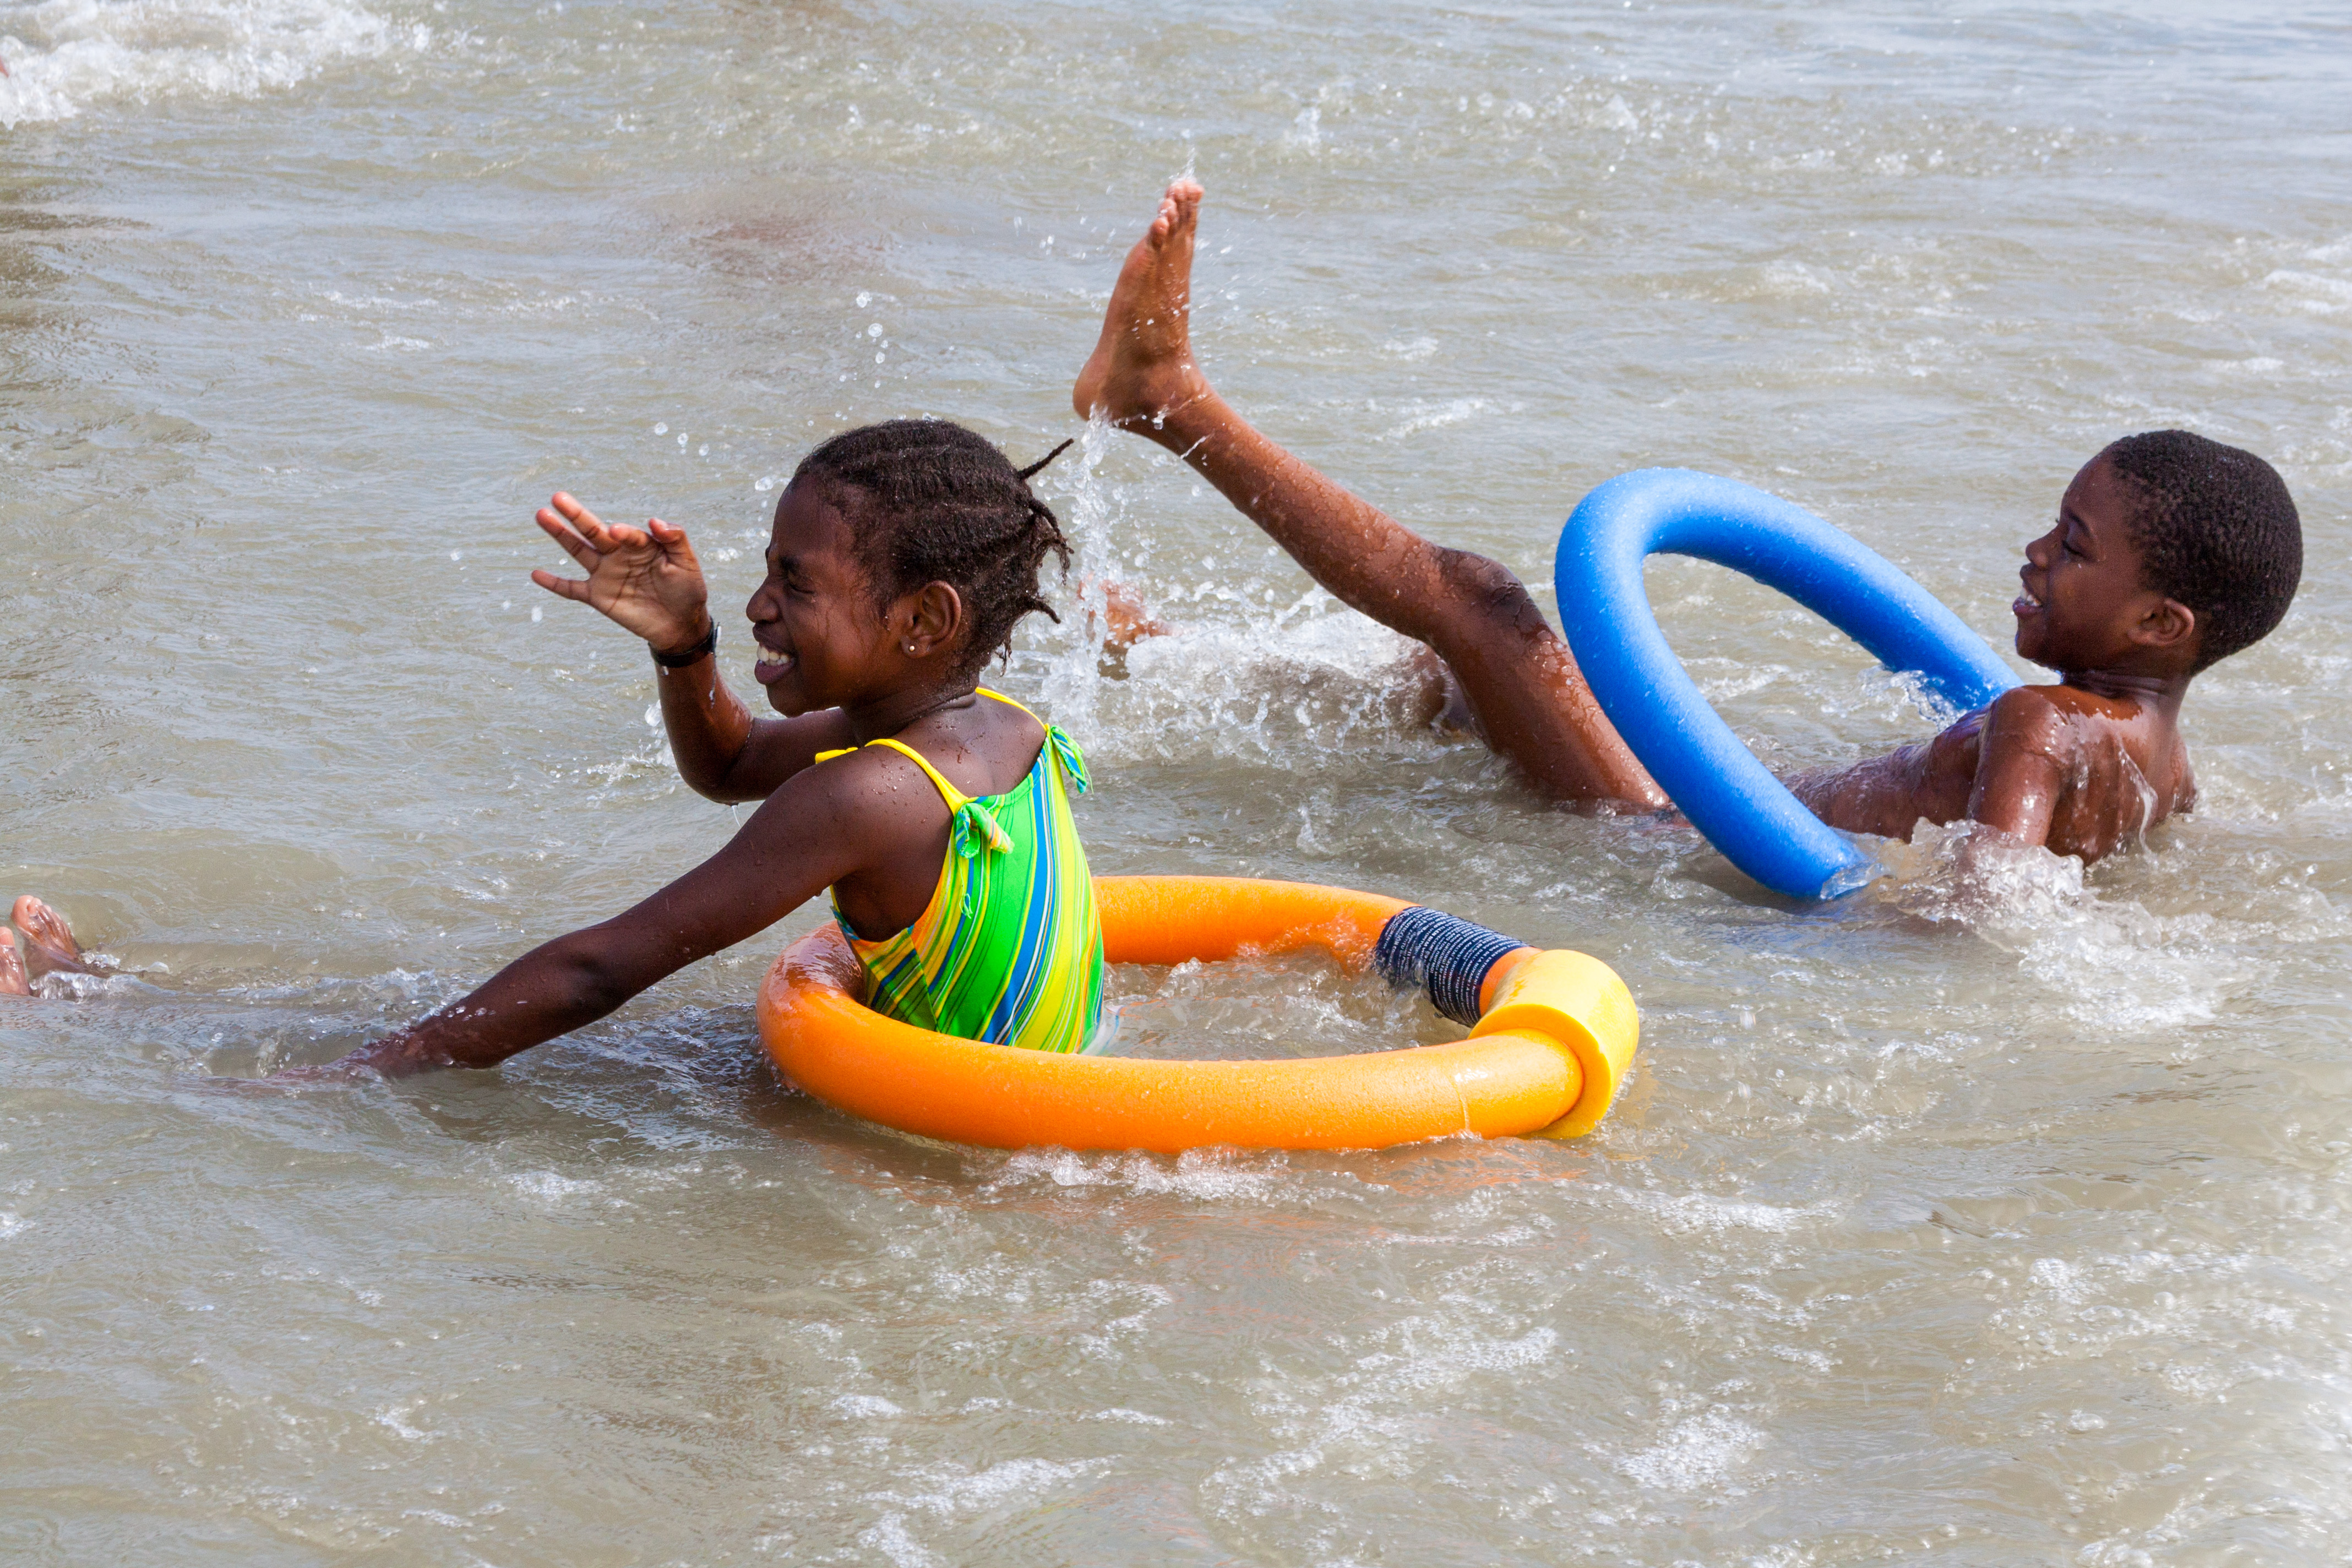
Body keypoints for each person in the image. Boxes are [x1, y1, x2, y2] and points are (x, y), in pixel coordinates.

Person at [1074, 181, 2302, 867]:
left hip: (1666, 832)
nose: (2034, 554)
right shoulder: (2164, 769)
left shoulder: (2039, 721)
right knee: (1440, 682)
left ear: (2161, 619)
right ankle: (1156, 647)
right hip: (1716, 808)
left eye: (2073, 547)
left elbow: (1986, 901)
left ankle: (1166, 398)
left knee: (1479, 605)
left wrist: (1819, 897)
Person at [257, 420, 1106, 1074]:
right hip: (1025, 1108)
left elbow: (600, 973)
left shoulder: (866, 795)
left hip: (943, 1158)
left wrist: (376, 1069)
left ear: (923, 620)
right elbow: (731, 765)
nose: (757, 607)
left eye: (795, 583)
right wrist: (682, 645)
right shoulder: (1001, 727)